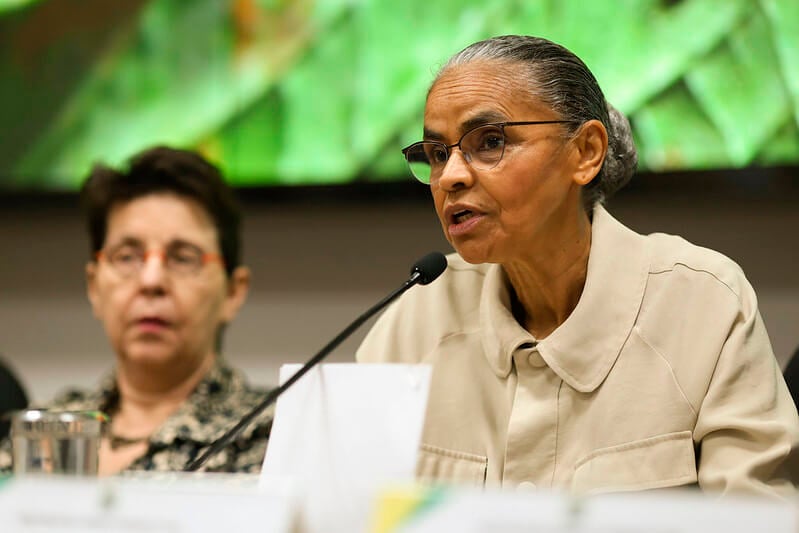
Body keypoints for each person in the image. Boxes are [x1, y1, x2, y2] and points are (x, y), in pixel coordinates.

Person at [357, 35, 798, 497]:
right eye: (437, 154)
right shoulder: (419, 312)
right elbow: (336, 500)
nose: (450, 176)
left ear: (586, 151)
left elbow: (757, 517)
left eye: (490, 142)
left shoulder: (703, 303)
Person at [0, 146, 271, 475]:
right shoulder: (45, 428)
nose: (151, 280)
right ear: (94, 286)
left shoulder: (273, 436)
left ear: (233, 292)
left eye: (183, 257)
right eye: (127, 257)